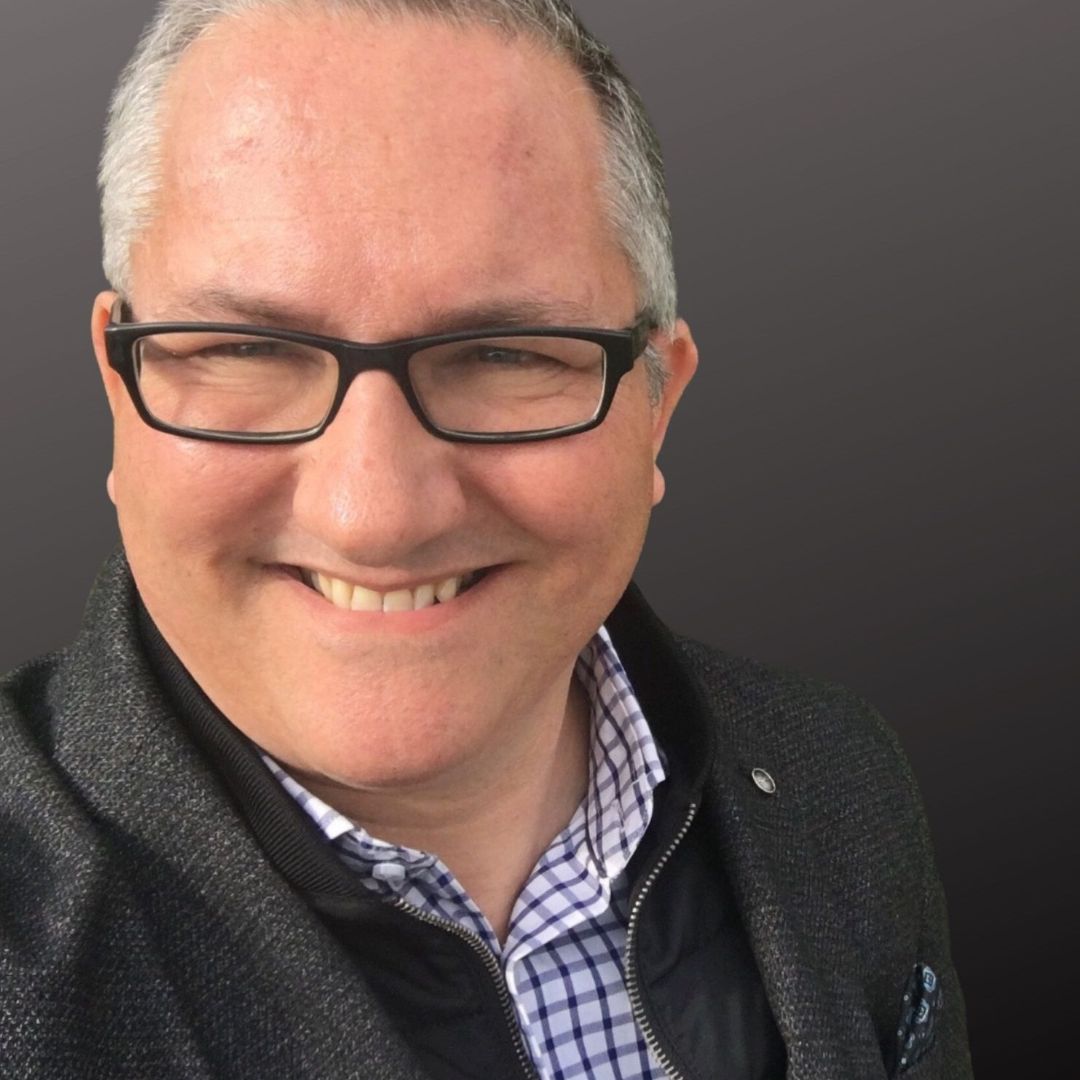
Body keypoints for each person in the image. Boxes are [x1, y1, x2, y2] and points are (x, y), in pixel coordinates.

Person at [0, 1, 973, 1077]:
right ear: (118, 389)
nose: (375, 512)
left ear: (658, 403)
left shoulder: (837, 775)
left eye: (505, 354)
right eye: (246, 350)